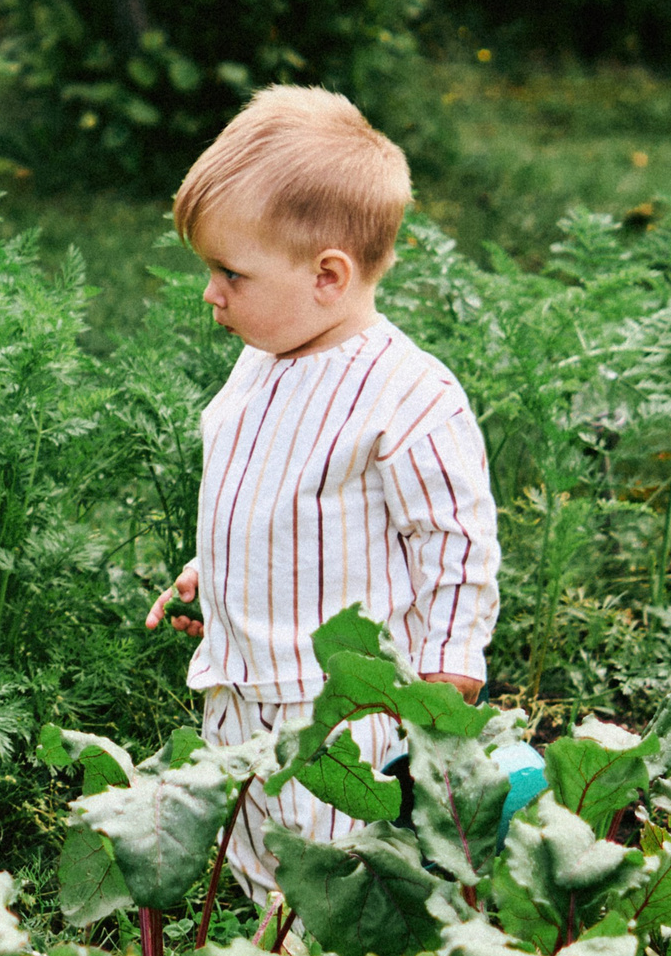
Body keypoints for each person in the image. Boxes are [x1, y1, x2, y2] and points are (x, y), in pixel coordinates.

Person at [143, 86, 499, 903]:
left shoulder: (408, 398)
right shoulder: (264, 359)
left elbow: (455, 548)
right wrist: (214, 570)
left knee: (330, 876)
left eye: (230, 272)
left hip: (338, 707)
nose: (211, 294)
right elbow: (267, 494)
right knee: (253, 853)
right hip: (239, 683)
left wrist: (444, 685)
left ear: (328, 275)